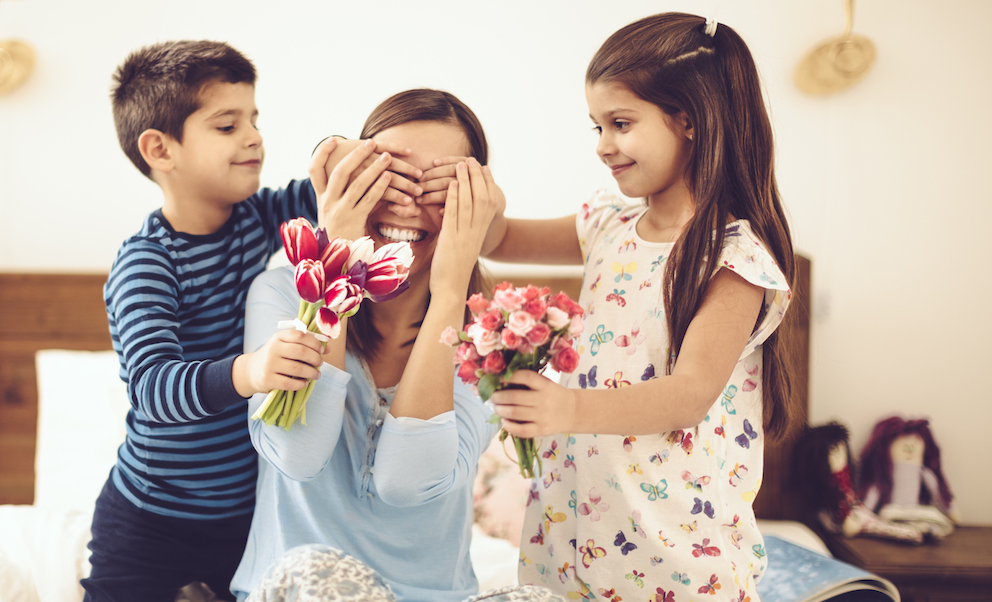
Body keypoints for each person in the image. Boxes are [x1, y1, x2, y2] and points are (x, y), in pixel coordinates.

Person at [83, 40, 418, 602]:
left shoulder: (258, 217)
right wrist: (251, 371)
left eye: (254, 118)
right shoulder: (147, 263)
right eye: (226, 125)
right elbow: (151, 389)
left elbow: (329, 191)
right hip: (150, 518)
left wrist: (351, 156)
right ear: (160, 149)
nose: (254, 136)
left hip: (247, 516)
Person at [480, 13, 798, 599]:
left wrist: (567, 410)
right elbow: (496, 238)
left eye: (620, 123)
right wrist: (471, 190)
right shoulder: (609, 223)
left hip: (673, 552)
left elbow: (690, 393)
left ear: (690, 121)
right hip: (573, 530)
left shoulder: (733, 259)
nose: (603, 146)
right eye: (596, 126)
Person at [230, 89, 558, 602]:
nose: (405, 202)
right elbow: (298, 454)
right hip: (306, 587)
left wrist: (451, 293)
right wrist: (335, 248)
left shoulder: (499, 337)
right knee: (315, 571)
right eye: (387, 177)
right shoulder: (280, 292)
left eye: (435, 186)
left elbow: (407, 481)